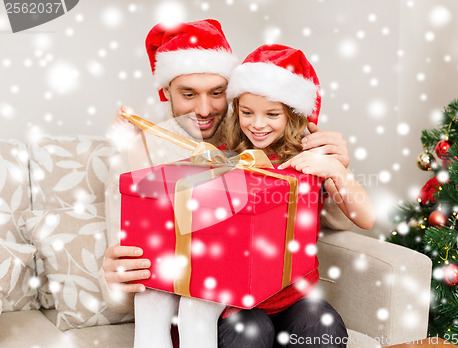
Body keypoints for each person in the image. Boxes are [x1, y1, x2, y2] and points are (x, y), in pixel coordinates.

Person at [100, 19, 355, 348]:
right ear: (165, 92)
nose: (204, 109)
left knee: (323, 328)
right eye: (188, 94)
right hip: (207, 296)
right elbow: (125, 278)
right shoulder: (140, 154)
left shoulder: (255, 132)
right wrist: (117, 278)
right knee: (244, 327)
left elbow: (334, 221)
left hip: (276, 290)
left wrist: (338, 168)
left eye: (217, 93)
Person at [220, 43, 375, 347]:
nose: (258, 123)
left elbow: (366, 218)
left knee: (323, 327)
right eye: (247, 112)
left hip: (295, 298)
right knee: (249, 332)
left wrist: (336, 170)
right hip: (239, 302)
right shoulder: (225, 160)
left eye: (272, 114)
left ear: (292, 114)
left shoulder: (310, 162)